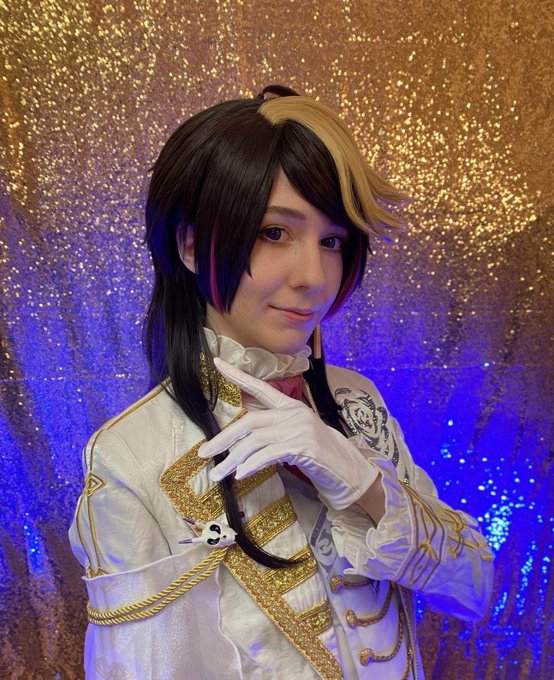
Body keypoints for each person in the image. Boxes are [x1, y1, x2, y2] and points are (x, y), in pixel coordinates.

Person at [69, 85, 494, 679]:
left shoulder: (355, 400)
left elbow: (473, 589)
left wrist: (361, 481)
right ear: (190, 244)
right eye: (274, 232)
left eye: (332, 240)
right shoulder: (130, 455)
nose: (314, 276)